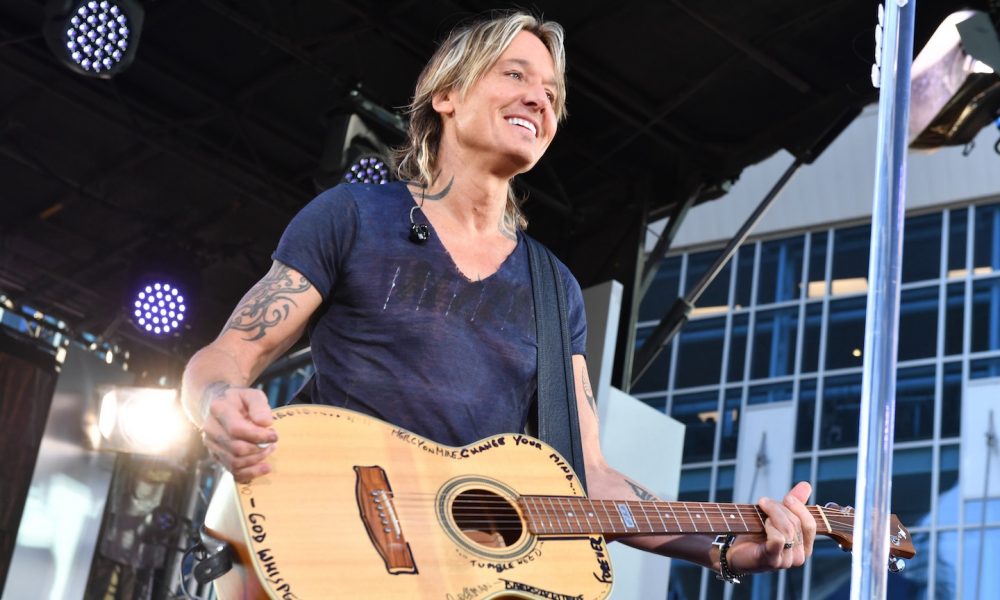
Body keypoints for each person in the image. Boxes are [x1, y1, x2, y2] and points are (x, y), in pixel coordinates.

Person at [180, 10, 815, 585]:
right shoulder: (351, 216)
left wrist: (725, 544)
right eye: (515, 74)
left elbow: (585, 476)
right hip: (315, 530)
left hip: (449, 574)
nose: (537, 98)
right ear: (447, 95)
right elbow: (228, 354)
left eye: (551, 94)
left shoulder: (553, 289)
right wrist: (217, 405)